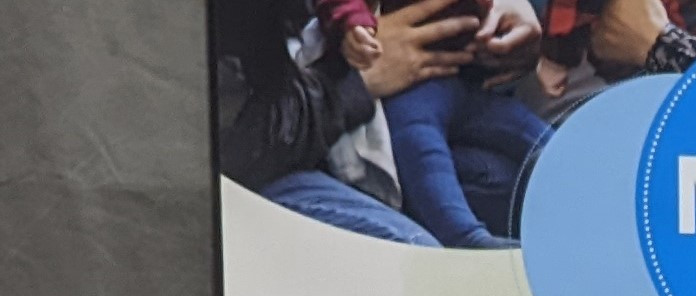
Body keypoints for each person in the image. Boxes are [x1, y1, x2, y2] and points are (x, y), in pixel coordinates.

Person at [214, 0, 486, 244]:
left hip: (410, 83)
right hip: (255, 171)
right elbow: (230, 145)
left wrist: (497, 14)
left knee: (504, 178)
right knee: (419, 257)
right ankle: (464, 236)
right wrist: (348, 85)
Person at [317, 0, 548, 247]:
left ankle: (583, 182)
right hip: (405, 82)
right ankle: (464, 236)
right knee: (424, 153)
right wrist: (351, 22)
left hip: (469, 75)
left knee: (536, 136)